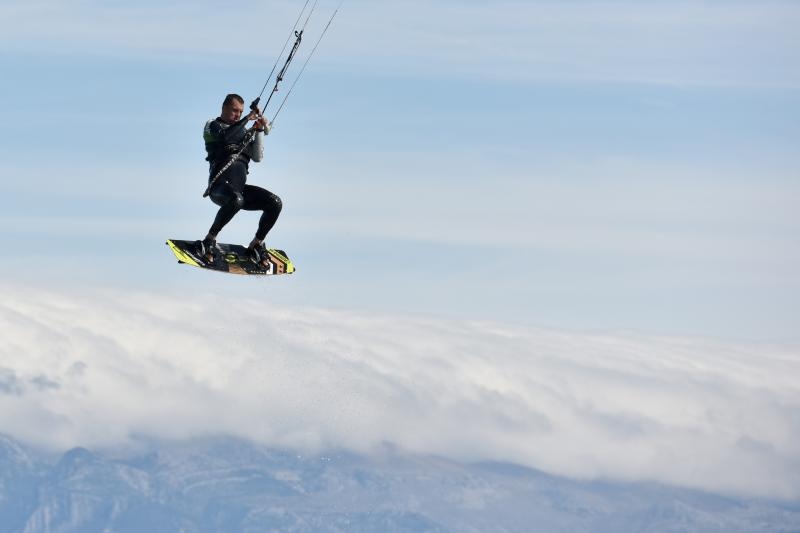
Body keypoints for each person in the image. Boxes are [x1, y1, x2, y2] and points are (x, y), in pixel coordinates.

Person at [197, 93, 282, 267]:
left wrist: (258, 130)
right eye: (235, 110)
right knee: (236, 199)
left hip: (239, 190)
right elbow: (226, 137)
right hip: (219, 188)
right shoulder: (212, 126)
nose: (237, 114)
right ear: (224, 108)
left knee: (275, 203)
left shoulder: (242, 133)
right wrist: (247, 118)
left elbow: (257, 157)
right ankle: (209, 240)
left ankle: (256, 244)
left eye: (240, 111)